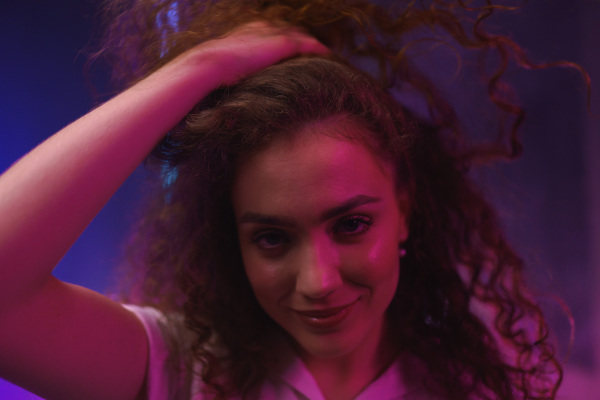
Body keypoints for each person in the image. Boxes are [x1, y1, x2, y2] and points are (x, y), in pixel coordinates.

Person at [0, 1, 577, 399]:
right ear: (235, 238)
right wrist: (206, 66)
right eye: (272, 238)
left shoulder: (477, 386)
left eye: (350, 224)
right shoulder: (180, 372)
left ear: (405, 205)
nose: (318, 281)